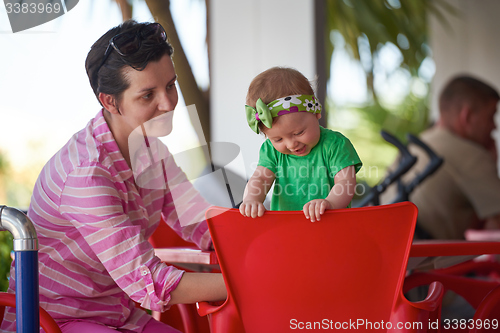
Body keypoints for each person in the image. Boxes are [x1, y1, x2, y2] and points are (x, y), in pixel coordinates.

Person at [0, 20, 226, 332]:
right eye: (148, 95)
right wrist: (247, 283)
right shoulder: (87, 174)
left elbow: (201, 224)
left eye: (170, 85)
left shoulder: (150, 150)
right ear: (109, 101)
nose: (168, 103)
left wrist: (272, 243)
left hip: (117, 314)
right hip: (54, 321)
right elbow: (149, 281)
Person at [383, 75, 500, 239]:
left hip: (382, 247)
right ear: (467, 116)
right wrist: (492, 165)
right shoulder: (470, 154)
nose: (494, 127)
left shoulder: (417, 142)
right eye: (491, 116)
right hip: (419, 259)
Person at [239, 67, 362, 222]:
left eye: (298, 133)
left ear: (316, 113)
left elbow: (345, 182)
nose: (291, 144)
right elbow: (261, 178)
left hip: (330, 225)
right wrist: (251, 199)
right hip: (285, 228)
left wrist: (330, 203)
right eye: (278, 139)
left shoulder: (335, 144)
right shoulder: (271, 150)